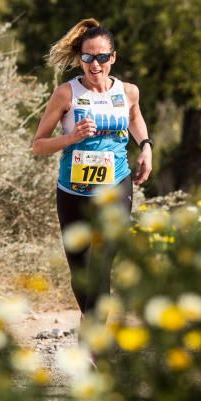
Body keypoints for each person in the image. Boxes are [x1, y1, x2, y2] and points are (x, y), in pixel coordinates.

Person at [32, 18, 153, 316]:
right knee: (81, 271)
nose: (95, 64)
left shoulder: (128, 92)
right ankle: (93, 323)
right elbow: (38, 145)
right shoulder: (66, 93)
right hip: (73, 190)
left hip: (116, 185)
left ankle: (93, 342)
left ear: (113, 57)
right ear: (80, 58)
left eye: (101, 58)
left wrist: (146, 146)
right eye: (88, 58)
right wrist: (72, 137)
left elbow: (135, 118)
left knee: (101, 263)